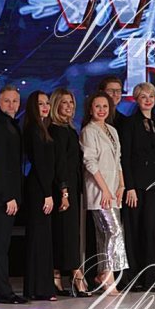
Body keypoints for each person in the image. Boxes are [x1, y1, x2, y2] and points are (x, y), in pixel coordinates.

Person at [81, 92, 129, 292]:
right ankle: (107, 276)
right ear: (90, 109)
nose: (101, 110)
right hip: (99, 190)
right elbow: (90, 162)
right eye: (97, 106)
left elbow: (118, 160)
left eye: (105, 106)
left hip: (113, 189)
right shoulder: (88, 131)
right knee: (113, 230)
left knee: (108, 234)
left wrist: (121, 185)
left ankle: (104, 274)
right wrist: (106, 190)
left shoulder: (112, 130)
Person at [0, 86, 28, 304]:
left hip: (9, 194)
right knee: (1, 245)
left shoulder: (10, 125)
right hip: (4, 196)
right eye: (7, 101)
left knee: (1, 243)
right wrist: (8, 196)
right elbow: (0, 166)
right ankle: (3, 291)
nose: (12, 105)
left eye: (15, 101)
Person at [120, 82, 155, 290]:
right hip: (135, 187)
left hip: (154, 185)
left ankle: (151, 278)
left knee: (151, 230)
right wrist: (129, 186)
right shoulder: (129, 124)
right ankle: (134, 278)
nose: (148, 100)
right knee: (134, 231)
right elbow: (125, 158)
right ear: (136, 100)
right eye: (143, 96)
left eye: (151, 96)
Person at [49, 88, 86, 296]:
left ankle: (61, 275)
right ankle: (72, 275)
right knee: (64, 232)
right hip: (62, 189)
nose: (69, 106)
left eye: (71, 102)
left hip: (72, 186)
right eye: (64, 102)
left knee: (69, 233)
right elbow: (59, 163)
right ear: (56, 105)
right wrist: (64, 192)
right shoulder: (56, 131)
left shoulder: (70, 130)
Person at [22, 91, 57, 302]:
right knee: (38, 237)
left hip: (42, 187)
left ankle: (39, 287)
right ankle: (38, 288)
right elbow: (40, 164)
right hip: (39, 189)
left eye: (47, 103)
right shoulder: (33, 130)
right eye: (40, 104)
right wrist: (47, 194)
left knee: (42, 237)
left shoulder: (43, 128)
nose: (45, 107)